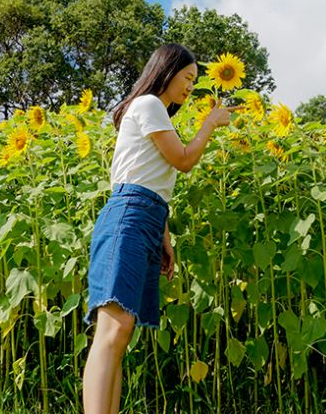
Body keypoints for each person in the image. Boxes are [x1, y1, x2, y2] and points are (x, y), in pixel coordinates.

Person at [82, 43, 237, 414]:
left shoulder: (157, 114)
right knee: (112, 330)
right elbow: (182, 161)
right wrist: (209, 124)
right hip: (128, 216)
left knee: (122, 332)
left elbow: (152, 178)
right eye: (187, 78)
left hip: (147, 217)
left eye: (195, 81)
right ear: (166, 71)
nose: (190, 87)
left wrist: (164, 237)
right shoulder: (149, 104)